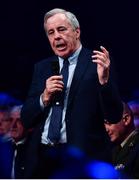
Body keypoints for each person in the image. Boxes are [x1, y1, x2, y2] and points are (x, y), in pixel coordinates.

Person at [21, 8, 123, 178]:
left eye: (61, 29)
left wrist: (104, 82)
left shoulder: (97, 63)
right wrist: (44, 97)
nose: (56, 37)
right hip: (42, 158)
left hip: (82, 159)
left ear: (77, 32)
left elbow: (114, 116)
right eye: (50, 33)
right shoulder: (42, 67)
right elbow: (26, 118)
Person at [104, 102, 139, 178]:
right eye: (104, 124)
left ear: (126, 119)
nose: (106, 129)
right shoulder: (113, 150)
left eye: (108, 123)